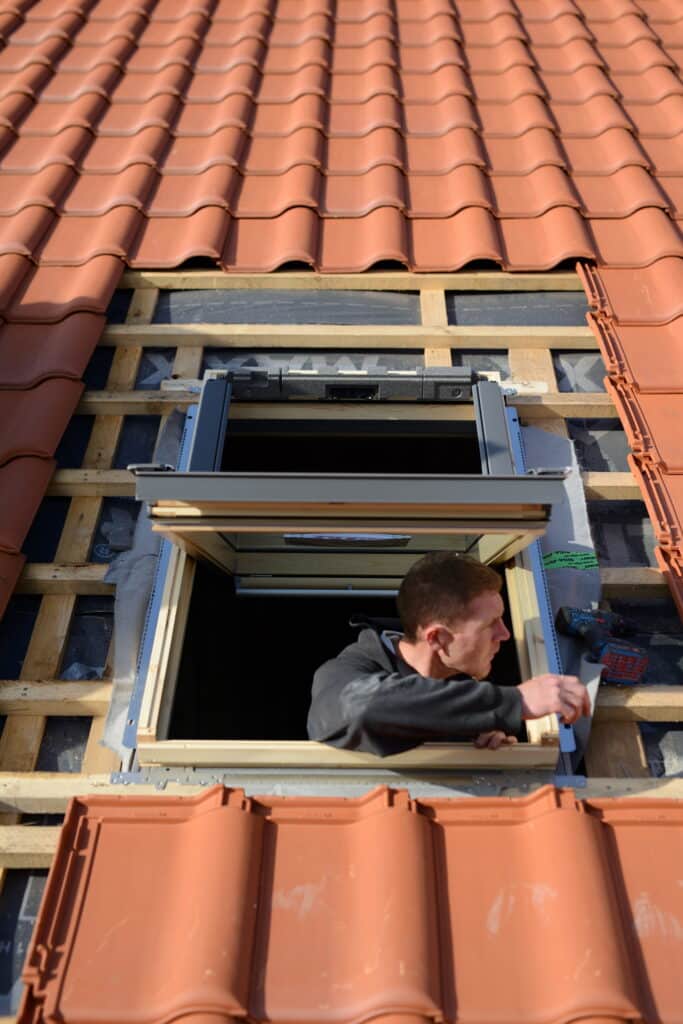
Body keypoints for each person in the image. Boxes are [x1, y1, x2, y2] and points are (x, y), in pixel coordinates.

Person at [307, 551, 590, 756]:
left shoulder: (463, 690)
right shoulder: (344, 672)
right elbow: (365, 708)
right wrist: (515, 702)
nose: (505, 634)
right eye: (491, 624)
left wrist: (486, 739)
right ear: (438, 638)